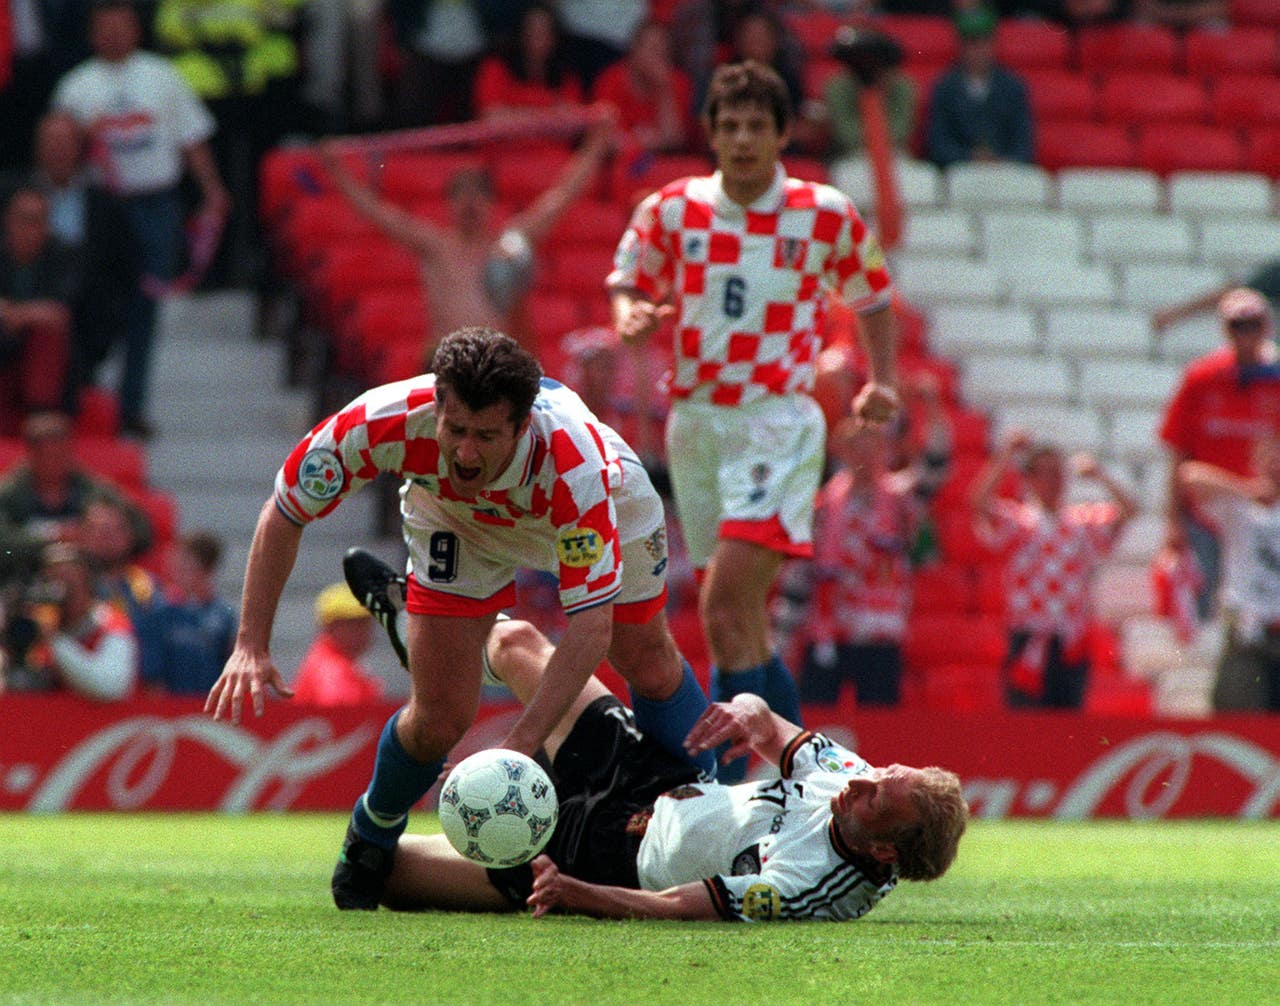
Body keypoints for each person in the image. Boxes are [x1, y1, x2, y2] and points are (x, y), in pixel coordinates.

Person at [204, 327, 716, 911]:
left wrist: (521, 745)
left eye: (486, 436)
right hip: (455, 519)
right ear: (437, 406)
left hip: (603, 511)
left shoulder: (575, 469)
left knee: (642, 656)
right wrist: (251, 641)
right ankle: (372, 831)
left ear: (522, 427)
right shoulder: (380, 421)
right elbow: (286, 511)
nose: (466, 452)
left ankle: (704, 797)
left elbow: (590, 629)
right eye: (456, 430)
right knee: (441, 718)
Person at [607, 60, 899, 780]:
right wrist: (632, 315)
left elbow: (873, 298)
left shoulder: (823, 211)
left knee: (726, 596)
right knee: (739, 624)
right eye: (728, 125)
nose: (741, 139)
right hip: (697, 424)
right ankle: (805, 779)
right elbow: (628, 285)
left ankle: (724, 784)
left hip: (776, 421)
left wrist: (883, 381)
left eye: (756, 126)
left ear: (781, 134)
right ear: (709, 133)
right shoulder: (672, 208)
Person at [376, 614, 968, 920]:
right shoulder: (856, 781)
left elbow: (682, 906)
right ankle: (420, 630)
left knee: (389, 872)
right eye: (881, 772)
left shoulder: (814, 887)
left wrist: (578, 894)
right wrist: (746, 710)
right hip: (648, 778)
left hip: (602, 858)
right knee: (518, 643)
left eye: (873, 798)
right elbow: (771, 727)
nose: (860, 780)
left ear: (885, 851)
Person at [52, 0, 230, 439]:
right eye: (104, 26)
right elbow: (57, 154)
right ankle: (86, 393)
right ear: (93, 32)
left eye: (121, 25)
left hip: (154, 203)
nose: (113, 34)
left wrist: (211, 190)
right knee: (90, 300)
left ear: (135, 29)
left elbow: (191, 139)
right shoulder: (76, 86)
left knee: (145, 304)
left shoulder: (163, 77)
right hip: (100, 208)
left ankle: (132, 405)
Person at [318, 111, 616, 359]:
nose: (470, 203)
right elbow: (377, 214)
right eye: (461, 194)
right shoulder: (435, 245)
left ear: (491, 203)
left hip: (494, 364)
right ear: (449, 204)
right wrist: (337, 172)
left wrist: (596, 145)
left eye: (478, 194)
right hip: (445, 362)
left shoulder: (509, 241)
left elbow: (560, 197)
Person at [790, 386, 952, 708]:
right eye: (856, 446)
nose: (864, 455)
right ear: (842, 452)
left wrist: (932, 407)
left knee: (880, 719)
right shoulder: (822, 505)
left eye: (872, 446)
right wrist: (782, 632)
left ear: (884, 451)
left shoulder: (899, 498)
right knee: (817, 717)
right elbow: (802, 571)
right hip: (828, 629)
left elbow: (936, 466)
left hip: (880, 629)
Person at [971, 430, 1138, 709]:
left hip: (1070, 640)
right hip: (1029, 636)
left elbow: (1129, 510)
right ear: (1031, 479)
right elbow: (979, 502)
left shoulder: (1081, 523)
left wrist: (1099, 475)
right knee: (1026, 722)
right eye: (1045, 473)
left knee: (1066, 725)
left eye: (1058, 473)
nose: (1054, 481)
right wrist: (1006, 456)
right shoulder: (1019, 521)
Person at [1159, 287, 1280, 619]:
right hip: (1207, 512)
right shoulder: (1201, 378)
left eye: (1252, 324)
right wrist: (1173, 521)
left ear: (1266, 326)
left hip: (1263, 517)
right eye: (1236, 326)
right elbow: (1179, 452)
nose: (1245, 334)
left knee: (1257, 602)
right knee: (1203, 602)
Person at [27, 112, 137, 416]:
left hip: (88, 324)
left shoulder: (106, 206)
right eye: (50, 142)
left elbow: (123, 270)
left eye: (65, 142)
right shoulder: (15, 196)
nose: (58, 150)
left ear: (80, 148)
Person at [1178, 435, 1280, 713]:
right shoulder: (1239, 506)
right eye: (1271, 458)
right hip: (1248, 627)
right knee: (1240, 714)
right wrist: (1249, 490)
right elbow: (1189, 475)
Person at [0, 410, 150, 587]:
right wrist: (52, 538)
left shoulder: (94, 489)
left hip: (91, 584)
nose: (54, 464)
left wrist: (102, 536)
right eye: (47, 457)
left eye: (61, 456)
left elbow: (142, 530)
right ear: (31, 455)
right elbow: (4, 545)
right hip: (21, 582)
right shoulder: (8, 494)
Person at [0, 541, 137, 700]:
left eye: (68, 577)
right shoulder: (36, 621)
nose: (58, 585)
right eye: (51, 577)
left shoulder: (111, 624)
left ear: (87, 582)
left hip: (104, 719)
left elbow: (111, 686)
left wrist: (54, 640)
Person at [0, 187, 79, 435]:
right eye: (24, 220)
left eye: (38, 221)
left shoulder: (64, 256)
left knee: (47, 334)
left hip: (46, 373)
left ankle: (40, 424)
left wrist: (15, 314)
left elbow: (62, 311)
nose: (30, 229)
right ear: (7, 221)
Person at [924, 5, 1034, 169]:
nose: (977, 51)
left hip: (1005, 172)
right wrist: (970, 159)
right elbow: (938, 144)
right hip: (959, 173)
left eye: (983, 42)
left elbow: (1023, 144)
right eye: (971, 43)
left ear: (993, 44)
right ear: (960, 46)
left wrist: (1001, 162)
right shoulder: (945, 88)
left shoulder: (1013, 87)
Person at [148, 530, 237, 695]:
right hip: (173, 707)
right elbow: (154, 675)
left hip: (210, 706)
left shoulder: (224, 615)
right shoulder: (162, 613)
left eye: (185, 566)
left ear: (206, 569)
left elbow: (232, 665)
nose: (176, 571)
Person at [590, 19, 694, 155]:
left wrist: (664, 90)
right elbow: (605, 141)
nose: (657, 59)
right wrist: (649, 141)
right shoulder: (611, 79)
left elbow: (673, 140)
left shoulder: (678, 82)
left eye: (663, 53)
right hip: (619, 163)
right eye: (653, 49)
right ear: (634, 49)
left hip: (662, 163)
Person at [474, 3, 585, 120]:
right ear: (520, 33)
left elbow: (572, 122)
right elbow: (491, 117)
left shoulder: (567, 75)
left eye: (545, 31)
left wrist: (517, 114)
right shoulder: (496, 68)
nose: (537, 37)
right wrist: (549, 115)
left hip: (553, 138)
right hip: (509, 138)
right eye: (531, 30)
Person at [825, 26, 917, 160]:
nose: (868, 67)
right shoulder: (838, 86)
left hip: (895, 154)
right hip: (850, 156)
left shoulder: (903, 86)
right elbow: (846, 135)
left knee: (924, 176)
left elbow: (901, 132)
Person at [291, 582, 384, 706]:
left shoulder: (342, 664)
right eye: (352, 623)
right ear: (329, 627)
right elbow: (344, 717)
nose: (362, 631)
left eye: (366, 622)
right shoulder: (330, 670)